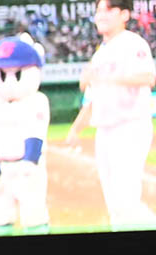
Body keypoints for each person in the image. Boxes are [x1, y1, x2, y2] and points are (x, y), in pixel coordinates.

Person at [65, 0, 156, 229]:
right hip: (105, 130)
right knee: (115, 203)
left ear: (124, 14)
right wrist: (76, 128)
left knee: (125, 199)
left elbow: (148, 78)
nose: (101, 15)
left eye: (108, 9)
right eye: (98, 10)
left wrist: (103, 79)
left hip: (130, 126)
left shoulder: (132, 43)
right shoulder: (100, 53)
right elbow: (94, 99)